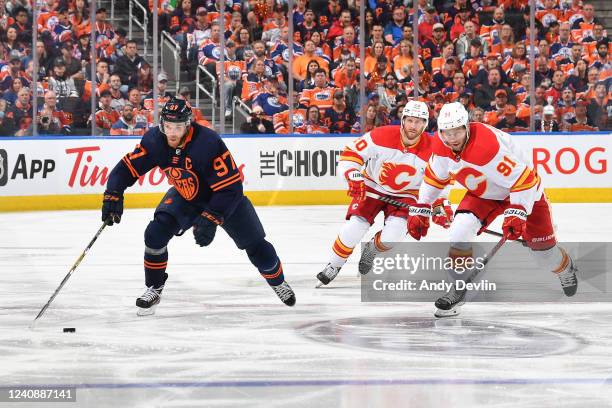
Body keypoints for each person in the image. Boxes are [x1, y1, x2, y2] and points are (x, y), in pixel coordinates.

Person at [101, 97, 295, 315]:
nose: (172, 133)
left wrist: (211, 218)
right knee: (154, 234)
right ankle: (154, 287)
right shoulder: (155, 140)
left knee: (256, 246)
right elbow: (127, 168)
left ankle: (277, 280)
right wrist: (113, 193)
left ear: (188, 124)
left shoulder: (208, 143)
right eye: (168, 126)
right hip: (187, 195)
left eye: (177, 127)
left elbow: (231, 189)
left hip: (224, 198)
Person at [407, 102, 578, 318]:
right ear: (440, 131)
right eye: (447, 132)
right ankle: (458, 290)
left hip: (523, 192)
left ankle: (564, 267)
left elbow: (524, 179)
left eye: (457, 131)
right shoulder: (440, 147)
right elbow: (434, 179)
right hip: (484, 193)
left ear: (467, 127)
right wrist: (422, 207)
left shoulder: (486, 147)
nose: (453, 138)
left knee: (545, 257)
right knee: (459, 231)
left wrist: (517, 212)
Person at [316, 100, 453, 286]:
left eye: (419, 121)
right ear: (403, 120)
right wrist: (352, 174)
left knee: (393, 236)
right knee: (354, 228)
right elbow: (350, 154)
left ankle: (372, 249)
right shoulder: (381, 135)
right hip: (372, 186)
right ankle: (334, 264)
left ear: (426, 124)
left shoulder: (435, 149)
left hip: (408, 195)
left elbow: (441, 180)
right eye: (410, 120)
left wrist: (440, 205)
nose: (413, 126)